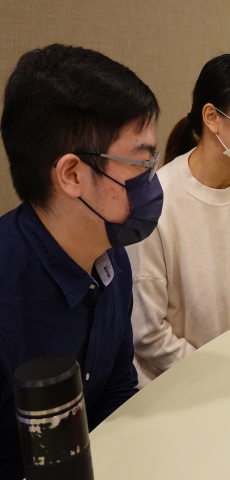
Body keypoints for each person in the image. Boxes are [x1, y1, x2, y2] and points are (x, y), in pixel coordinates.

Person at [0, 44, 162, 479]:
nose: (152, 181)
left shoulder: (112, 261)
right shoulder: (7, 296)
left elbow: (116, 393)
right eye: (141, 163)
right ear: (72, 174)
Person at [126, 54, 230, 387]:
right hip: (171, 384)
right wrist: (214, 375)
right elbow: (148, 332)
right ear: (211, 117)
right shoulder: (158, 201)